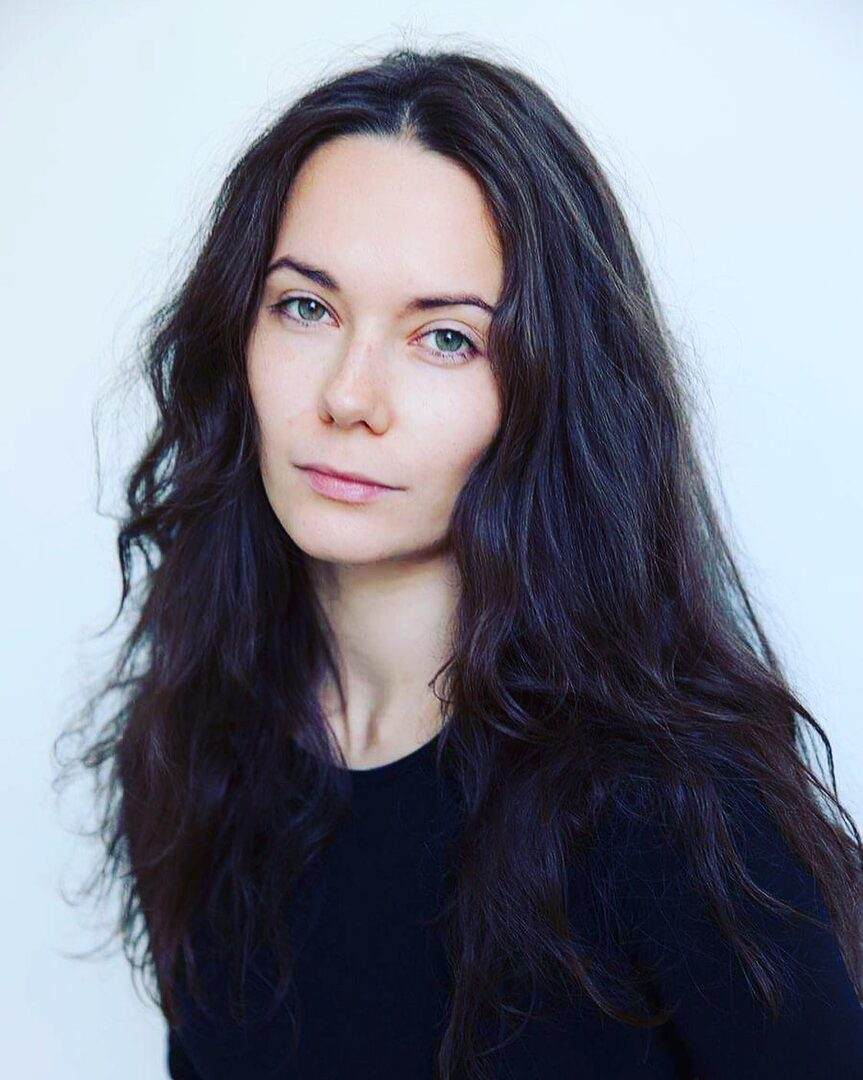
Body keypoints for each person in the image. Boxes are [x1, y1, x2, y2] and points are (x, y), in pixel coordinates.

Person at [55, 45, 863, 1079]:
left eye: (444, 338)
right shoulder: (199, 749)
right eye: (306, 307)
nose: (349, 397)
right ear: (235, 335)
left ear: (547, 388)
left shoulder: (666, 806)